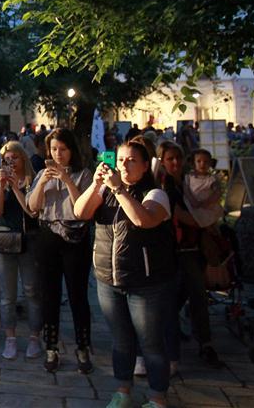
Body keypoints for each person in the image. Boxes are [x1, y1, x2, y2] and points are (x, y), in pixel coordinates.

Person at [75, 140, 177, 408]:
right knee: (121, 341)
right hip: (108, 280)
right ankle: (123, 391)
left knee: (151, 342)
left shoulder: (155, 194)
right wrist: (97, 185)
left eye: (132, 160)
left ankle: (158, 397)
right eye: (120, 159)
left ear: (145, 166)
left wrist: (119, 188)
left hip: (145, 283)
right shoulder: (106, 191)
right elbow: (80, 212)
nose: (123, 165)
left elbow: (143, 220)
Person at [26, 128, 94, 373]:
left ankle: (83, 347)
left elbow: (82, 209)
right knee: (49, 295)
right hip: (47, 237)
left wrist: (66, 180)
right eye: (54, 149)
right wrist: (43, 182)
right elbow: (32, 208)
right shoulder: (43, 174)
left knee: (78, 295)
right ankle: (51, 347)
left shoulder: (84, 174)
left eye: (62, 149)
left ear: (71, 150)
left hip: (75, 238)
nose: (58, 154)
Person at [159, 143, 224, 373]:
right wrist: (205, 224)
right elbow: (180, 216)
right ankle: (200, 343)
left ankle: (196, 340)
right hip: (178, 249)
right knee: (191, 295)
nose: (175, 163)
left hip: (191, 247)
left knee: (189, 296)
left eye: (178, 158)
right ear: (162, 161)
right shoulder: (166, 185)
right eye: (170, 159)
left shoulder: (184, 182)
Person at [0, 141, 43, 360]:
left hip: (29, 240)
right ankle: (10, 338)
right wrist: (2, 187)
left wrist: (15, 187)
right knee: (7, 295)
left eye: (14, 158)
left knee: (32, 291)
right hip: (5, 240)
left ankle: (34, 337)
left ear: (23, 158)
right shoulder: (0, 182)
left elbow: (32, 211)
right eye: (7, 159)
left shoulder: (33, 180)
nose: (11, 162)